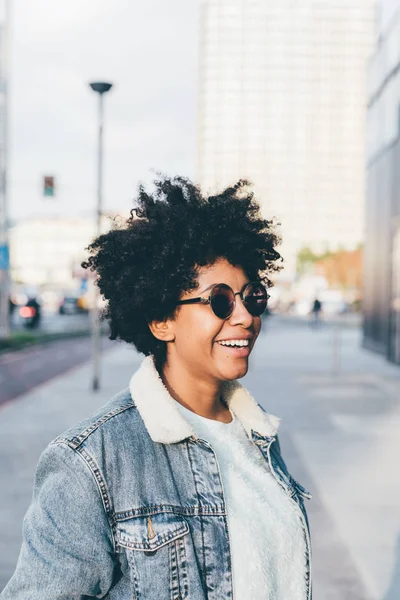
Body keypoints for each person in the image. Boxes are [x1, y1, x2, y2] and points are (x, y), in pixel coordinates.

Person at [1, 177, 312, 600]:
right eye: (220, 300)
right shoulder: (92, 462)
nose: (244, 317)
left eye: (251, 297)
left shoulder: (258, 436)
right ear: (161, 321)